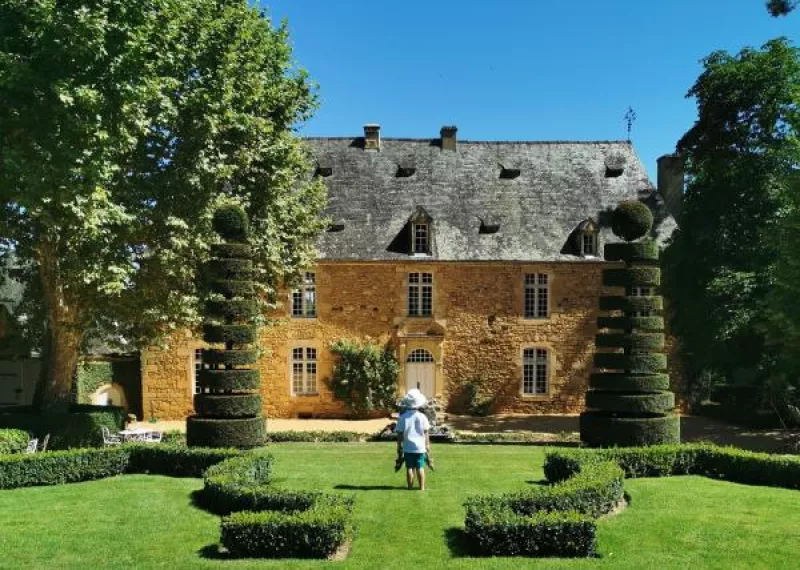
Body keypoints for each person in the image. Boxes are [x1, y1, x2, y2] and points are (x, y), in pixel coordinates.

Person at [395, 388, 431, 490]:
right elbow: (426, 432)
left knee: (409, 467)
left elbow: (399, 433)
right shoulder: (422, 417)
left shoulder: (403, 417)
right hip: (420, 447)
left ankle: (410, 486)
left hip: (407, 447)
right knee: (420, 467)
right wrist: (427, 445)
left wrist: (399, 446)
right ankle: (422, 487)